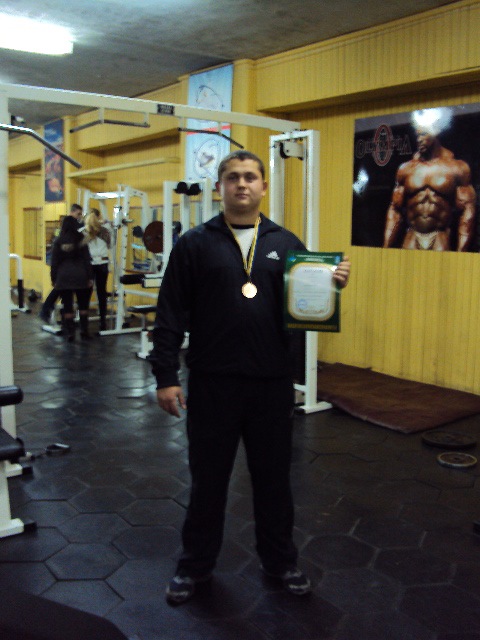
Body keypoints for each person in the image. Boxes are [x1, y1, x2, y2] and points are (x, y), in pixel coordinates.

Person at [149, 150, 351, 605]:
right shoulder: (195, 244)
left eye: (250, 177)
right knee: (207, 482)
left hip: (270, 384)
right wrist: (165, 375)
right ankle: (194, 566)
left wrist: (331, 283)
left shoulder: (286, 241)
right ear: (220, 186)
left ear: (263, 186)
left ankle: (281, 562)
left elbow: (305, 302)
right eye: (233, 177)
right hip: (212, 383)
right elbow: (170, 313)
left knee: (274, 482)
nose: (242, 184)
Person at [383, 118, 477, 251]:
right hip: (412, 235)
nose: (418, 140)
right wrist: (386, 247)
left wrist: (461, 252)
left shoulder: (457, 168)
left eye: (423, 134)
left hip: (439, 237)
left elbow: (468, 211)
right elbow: (395, 210)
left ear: (435, 132)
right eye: (417, 135)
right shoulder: (406, 169)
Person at [50, 214, 93, 341]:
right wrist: (90, 277)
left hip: (64, 277)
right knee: (83, 305)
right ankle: (84, 331)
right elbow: (87, 260)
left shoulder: (58, 241)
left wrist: (54, 278)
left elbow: (54, 263)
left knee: (67, 306)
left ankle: (70, 333)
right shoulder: (82, 239)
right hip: (81, 275)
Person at [39, 204, 84, 323]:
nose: (79, 217)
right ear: (72, 212)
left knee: (62, 292)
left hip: (66, 272)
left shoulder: (71, 233)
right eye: (78, 214)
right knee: (61, 291)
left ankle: (52, 313)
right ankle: (48, 311)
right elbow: (57, 259)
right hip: (67, 272)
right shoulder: (70, 233)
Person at [83, 208, 111, 331]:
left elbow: (81, 247)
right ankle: (102, 322)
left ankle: (84, 323)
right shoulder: (105, 231)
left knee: (86, 292)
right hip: (103, 263)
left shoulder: (84, 232)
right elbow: (110, 244)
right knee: (101, 292)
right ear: (99, 217)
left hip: (90, 264)